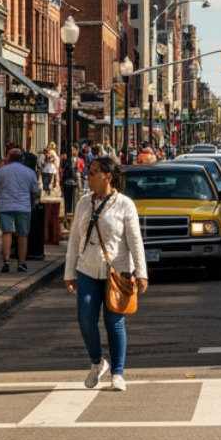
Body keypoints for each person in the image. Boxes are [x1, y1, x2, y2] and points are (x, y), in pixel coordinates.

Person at [64, 156, 148, 392]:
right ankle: (97, 361)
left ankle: (118, 373)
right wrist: (69, 272)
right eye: (88, 172)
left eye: (93, 172)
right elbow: (74, 241)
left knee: (114, 323)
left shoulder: (124, 204)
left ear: (107, 177)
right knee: (86, 320)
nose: (87, 176)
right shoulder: (83, 203)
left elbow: (135, 241)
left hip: (117, 271)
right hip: (87, 269)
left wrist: (141, 273)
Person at [0, 148, 40, 273]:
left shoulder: (1, 172)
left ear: (8, 158)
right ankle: (21, 263)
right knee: (23, 235)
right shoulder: (29, 172)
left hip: (5, 205)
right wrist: (34, 202)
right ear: (22, 159)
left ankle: (6, 261)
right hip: (23, 207)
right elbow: (35, 191)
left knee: (7, 233)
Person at [61, 145, 80, 213]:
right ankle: (68, 212)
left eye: (73, 150)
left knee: (72, 200)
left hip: (72, 182)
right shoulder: (67, 160)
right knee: (68, 200)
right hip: (68, 182)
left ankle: (71, 212)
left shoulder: (77, 160)